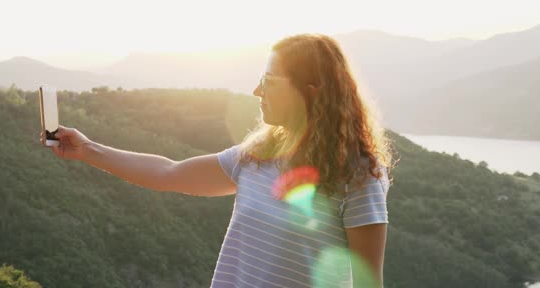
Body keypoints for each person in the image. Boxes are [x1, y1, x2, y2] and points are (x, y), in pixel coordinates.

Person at [44, 33, 395, 288]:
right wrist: (86, 149)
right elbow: (170, 172)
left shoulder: (359, 177)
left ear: (311, 92)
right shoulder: (256, 157)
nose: (257, 91)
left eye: (268, 81)